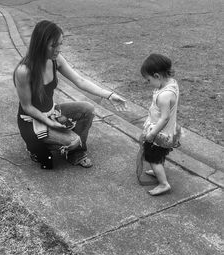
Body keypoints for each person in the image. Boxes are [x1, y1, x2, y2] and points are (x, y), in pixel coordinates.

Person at [13, 20, 126, 169]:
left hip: (52, 112)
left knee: (88, 109)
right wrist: (50, 123)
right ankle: (36, 146)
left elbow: (80, 80)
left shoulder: (55, 60)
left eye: (60, 44)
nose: (58, 49)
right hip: (32, 122)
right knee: (72, 142)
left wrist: (109, 95)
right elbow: (27, 107)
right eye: (53, 45)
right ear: (40, 44)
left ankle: (75, 153)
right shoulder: (24, 71)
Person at [137, 53, 181, 196]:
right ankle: (158, 171)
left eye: (148, 80)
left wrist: (152, 134)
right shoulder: (171, 83)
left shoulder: (164, 96)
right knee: (159, 155)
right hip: (168, 131)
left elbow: (164, 118)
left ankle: (163, 184)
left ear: (157, 76)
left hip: (159, 134)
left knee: (153, 158)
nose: (147, 83)